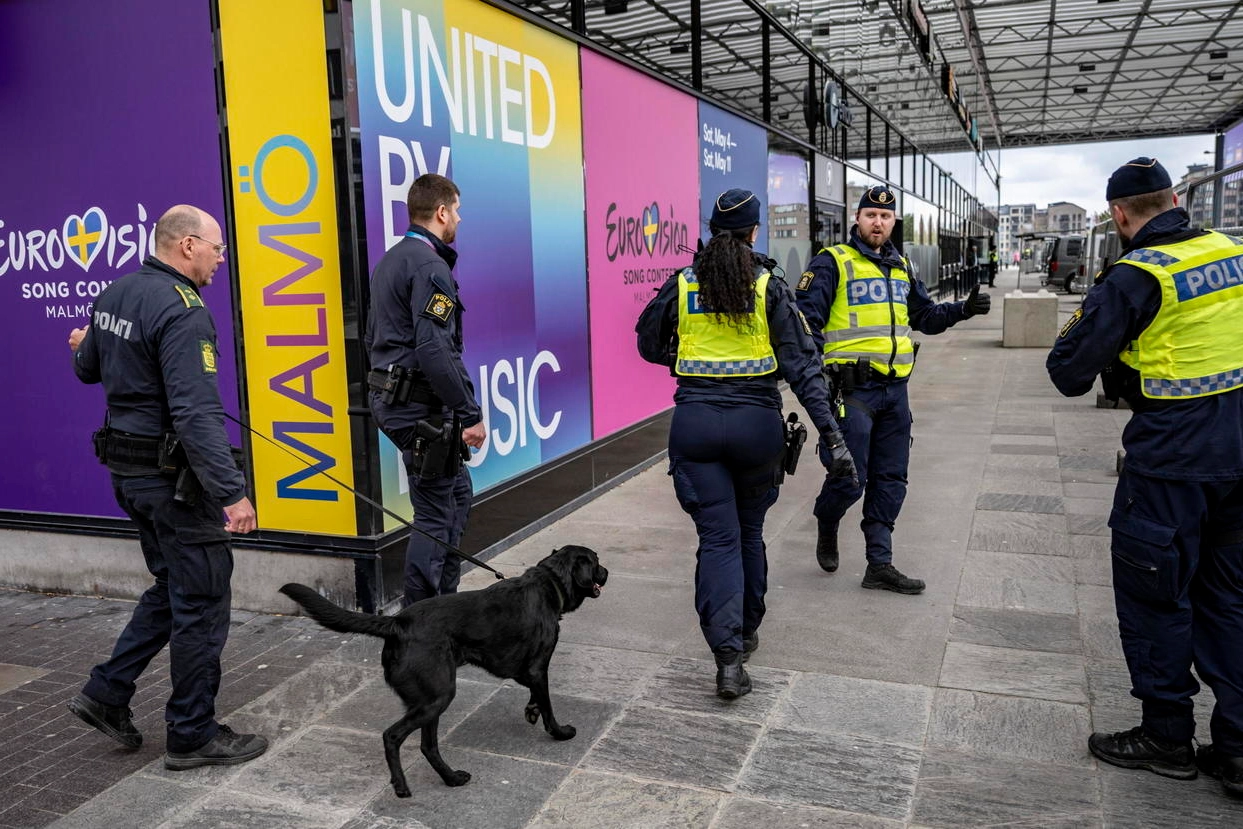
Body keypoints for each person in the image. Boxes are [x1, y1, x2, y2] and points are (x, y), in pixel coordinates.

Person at [1047, 157, 1243, 797]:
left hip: (1171, 465)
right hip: (1239, 458)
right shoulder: (1233, 251)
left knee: (1156, 593)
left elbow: (1069, 370)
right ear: (1176, 199)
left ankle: (1166, 735)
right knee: (1231, 598)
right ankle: (1237, 748)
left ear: (1119, 215)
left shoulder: (1138, 275)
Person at [66, 205, 266, 770]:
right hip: (172, 484)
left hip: (128, 477)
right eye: (217, 249)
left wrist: (85, 341)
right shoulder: (185, 311)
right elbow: (197, 413)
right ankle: (192, 734)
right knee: (201, 601)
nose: (221, 260)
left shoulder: (115, 292)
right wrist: (232, 493)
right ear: (186, 246)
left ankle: (107, 693)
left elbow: (87, 369)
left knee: (172, 587)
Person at [637, 188, 856, 699]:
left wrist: (682, 359)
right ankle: (748, 631)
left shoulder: (684, 282)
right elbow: (804, 368)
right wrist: (833, 436)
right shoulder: (768, 288)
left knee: (717, 540)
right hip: (757, 428)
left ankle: (728, 661)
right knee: (750, 533)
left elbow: (646, 342)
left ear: (713, 229)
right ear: (755, 231)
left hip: (694, 425)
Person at [797, 186, 991, 594]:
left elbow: (924, 316)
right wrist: (816, 379)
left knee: (891, 479)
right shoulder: (833, 262)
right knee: (851, 477)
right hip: (853, 393)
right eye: (871, 215)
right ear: (857, 217)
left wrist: (962, 310)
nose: (878, 223)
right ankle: (827, 517)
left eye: (885, 217)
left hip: (895, 392)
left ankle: (879, 564)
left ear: (893, 221)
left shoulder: (902, 265)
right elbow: (806, 325)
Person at [365, 173, 487, 607]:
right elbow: (435, 348)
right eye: (455, 210)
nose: (458, 218)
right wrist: (469, 412)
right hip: (418, 407)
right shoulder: (430, 266)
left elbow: (372, 337)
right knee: (436, 512)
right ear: (440, 212)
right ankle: (421, 620)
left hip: (399, 400)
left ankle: (443, 606)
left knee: (456, 495)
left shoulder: (392, 260)